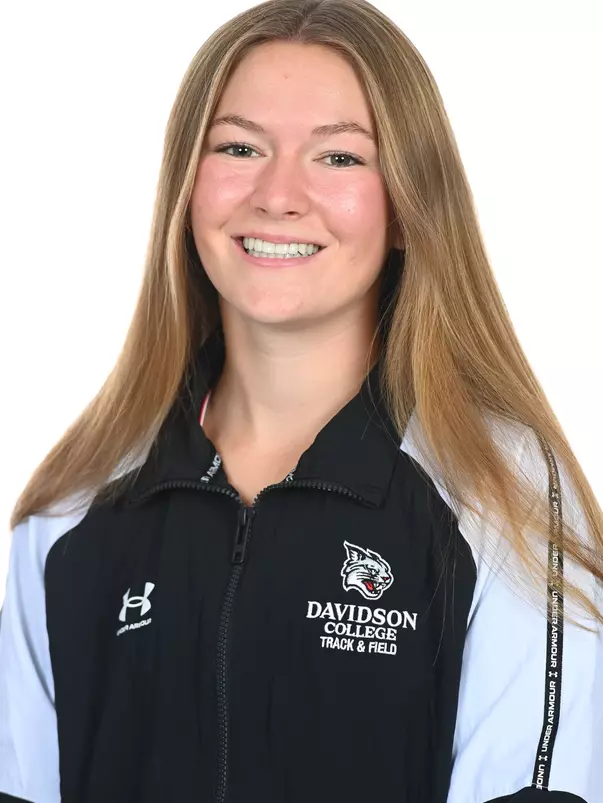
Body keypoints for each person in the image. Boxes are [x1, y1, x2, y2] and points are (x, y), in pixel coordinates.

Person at [0, 0, 601, 801]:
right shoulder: (71, 508)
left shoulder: (500, 488)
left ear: (407, 207)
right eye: (238, 147)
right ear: (186, 188)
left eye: (339, 157)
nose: (278, 194)